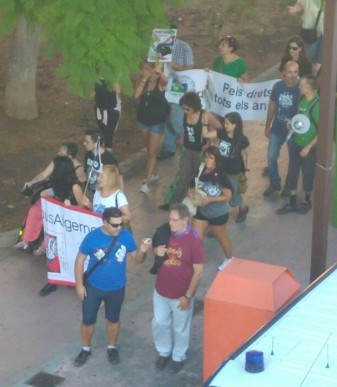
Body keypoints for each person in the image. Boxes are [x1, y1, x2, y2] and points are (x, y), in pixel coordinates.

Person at [73, 207, 151, 367]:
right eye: (115, 225)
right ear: (105, 222)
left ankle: (112, 347)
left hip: (117, 287)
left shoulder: (126, 236)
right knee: (88, 320)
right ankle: (85, 349)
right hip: (93, 287)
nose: (119, 228)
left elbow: (138, 259)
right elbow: (80, 260)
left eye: (121, 224)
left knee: (113, 319)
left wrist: (142, 252)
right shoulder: (92, 237)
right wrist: (80, 285)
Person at [152, 203, 205, 373]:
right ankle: (164, 351)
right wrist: (156, 250)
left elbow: (198, 272)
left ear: (185, 220)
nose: (171, 223)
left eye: (175, 220)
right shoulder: (165, 232)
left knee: (181, 327)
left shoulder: (193, 240)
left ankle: (178, 355)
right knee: (159, 323)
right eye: (169, 219)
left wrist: (187, 296)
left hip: (180, 295)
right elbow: (156, 245)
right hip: (161, 289)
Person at [158, 92, 221, 210]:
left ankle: (199, 204)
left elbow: (220, 129)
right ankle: (173, 202)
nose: (185, 111)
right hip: (187, 149)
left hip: (200, 152)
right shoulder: (185, 115)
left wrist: (210, 143)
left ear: (195, 107)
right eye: (183, 109)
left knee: (199, 178)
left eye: (187, 109)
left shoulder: (205, 116)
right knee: (182, 176)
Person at [277, 75, 319, 215]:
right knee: (292, 171)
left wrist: (308, 147)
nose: (299, 87)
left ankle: (307, 199)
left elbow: (322, 131)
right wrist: (292, 124)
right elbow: (298, 119)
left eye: (301, 85)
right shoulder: (301, 100)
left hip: (309, 147)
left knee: (308, 173)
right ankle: (293, 200)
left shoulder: (317, 105)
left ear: (309, 88)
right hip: (296, 141)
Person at [188, 146, 234, 271]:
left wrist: (210, 199)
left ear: (216, 160)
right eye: (206, 157)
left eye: (211, 158)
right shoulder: (201, 169)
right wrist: (191, 193)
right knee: (195, 238)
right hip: (201, 212)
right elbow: (192, 183)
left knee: (222, 238)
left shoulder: (220, 175)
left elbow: (228, 195)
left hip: (218, 214)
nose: (207, 160)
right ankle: (196, 261)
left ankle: (229, 258)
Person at [203, 112, 250, 223]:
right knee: (220, 192)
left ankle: (242, 208)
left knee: (232, 194)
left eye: (227, 123)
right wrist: (205, 123)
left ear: (235, 125)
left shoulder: (242, 139)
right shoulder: (221, 133)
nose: (225, 125)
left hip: (234, 172)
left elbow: (248, 154)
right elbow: (206, 135)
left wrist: (247, 169)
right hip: (221, 169)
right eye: (225, 122)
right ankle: (218, 219)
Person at [264, 60, 301, 197]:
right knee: (271, 156)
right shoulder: (277, 86)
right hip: (278, 128)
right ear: (284, 72)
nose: (293, 75)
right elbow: (273, 105)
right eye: (290, 72)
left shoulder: (301, 88)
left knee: (293, 161)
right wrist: (268, 125)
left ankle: (289, 186)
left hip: (294, 132)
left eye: (296, 72)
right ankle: (275, 183)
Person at [157, 27, 194, 160]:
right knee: (167, 118)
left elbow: (190, 68)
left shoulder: (184, 48)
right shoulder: (161, 45)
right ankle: (169, 147)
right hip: (163, 85)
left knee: (175, 118)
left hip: (178, 86)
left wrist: (175, 66)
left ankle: (190, 141)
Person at [134, 60, 168, 193]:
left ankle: (146, 181)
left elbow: (166, 81)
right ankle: (154, 173)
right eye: (144, 68)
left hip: (156, 122)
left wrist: (159, 70)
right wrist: (143, 79)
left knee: (152, 151)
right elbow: (136, 95)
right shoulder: (142, 80)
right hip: (143, 120)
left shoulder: (160, 81)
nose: (146, 71)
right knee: (148, 148)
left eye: (148, 68)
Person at [288, 0, 324, 76]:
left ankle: (313, 81)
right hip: (309, 32)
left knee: (319, 62)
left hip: (327, 33)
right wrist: (295, 8)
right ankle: (307, 80)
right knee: (308, 59)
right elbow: (301, 3)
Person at [83, 129, 123, 196]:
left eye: (87, 142)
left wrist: (120, 197)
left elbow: (119, 178)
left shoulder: (109, 158)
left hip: (103, 194)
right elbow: (86, 172)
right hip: (90, 192)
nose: (84, 143)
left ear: (96, 143)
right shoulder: (88, 155)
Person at [94, 78, 122, 151]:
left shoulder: (112, 74)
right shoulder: (95, 73)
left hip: (111, 109)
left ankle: (108, 159)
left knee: (108, 136)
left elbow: (118, 90)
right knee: (102, 134)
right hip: (99, 108)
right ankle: (102, 157)